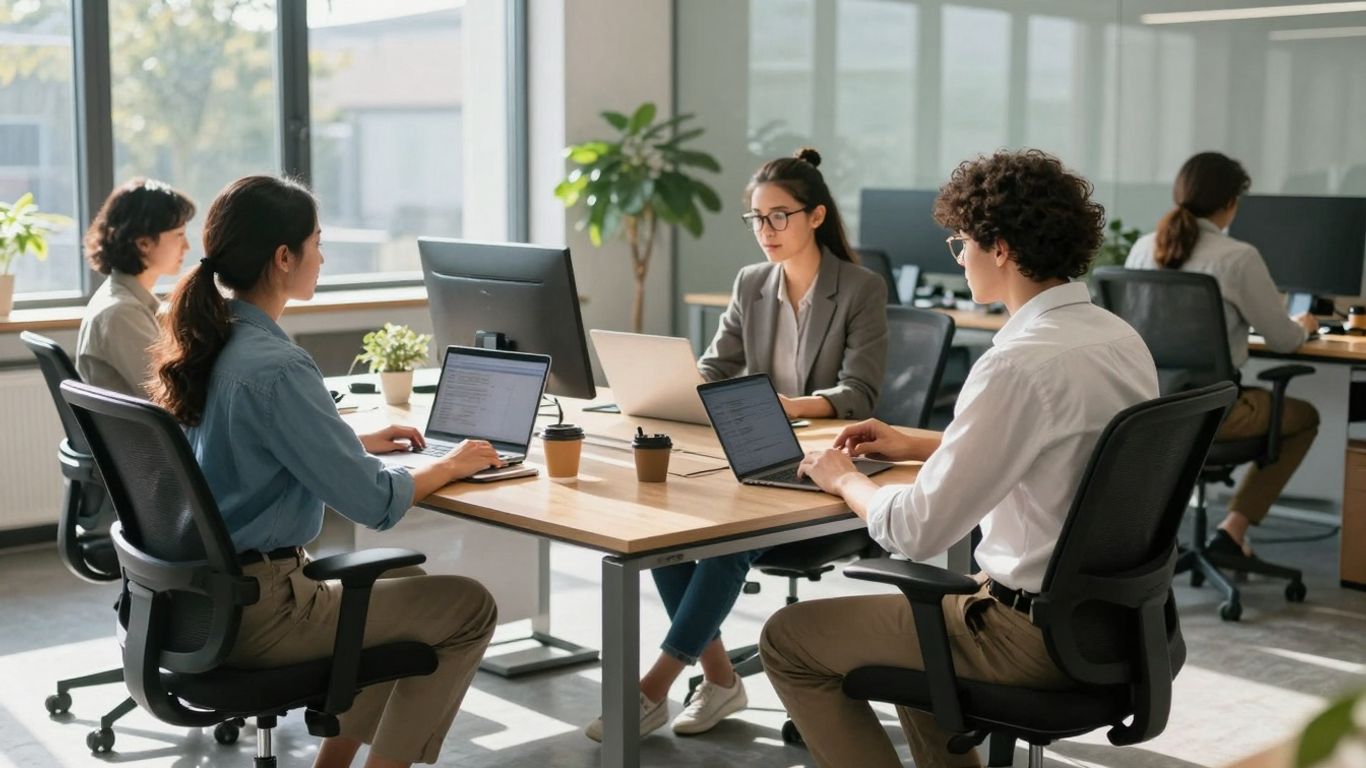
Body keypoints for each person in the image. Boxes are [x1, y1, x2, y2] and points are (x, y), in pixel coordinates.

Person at [760, 149, 1159, 768]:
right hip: (1117, 625)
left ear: (999, 248)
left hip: (1028, 636)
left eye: (961, 242)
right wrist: (916, 442)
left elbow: (917, 530)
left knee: (787, 641)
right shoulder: (1117, 338)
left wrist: (843, 479)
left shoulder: (1016, 363)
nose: (960, 255)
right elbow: (1066, 451)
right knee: (920, 631)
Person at [150, 175, 501, 768]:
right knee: (469, 608)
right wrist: (451, 464)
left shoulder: (211, 342)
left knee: (407, 598)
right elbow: (374, 503)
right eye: (317, 241)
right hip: (265, 614)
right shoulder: (278, 365)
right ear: (283, 258)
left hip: (196, 607)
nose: (323, 256)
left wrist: (348, 441)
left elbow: (240, 452)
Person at [584, 148, 888, 743]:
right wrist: (681, 388)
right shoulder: (751, 283)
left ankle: (653, 687)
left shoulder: (858, 288)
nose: (766, 231)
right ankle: (720, 678)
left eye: (779, 217)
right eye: (756, 218)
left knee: (726, 540)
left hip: (825, 472)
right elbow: (716, 367)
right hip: (754, 454)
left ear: (816, 216)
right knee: (666, 523)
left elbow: (860, 392)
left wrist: (789, 406)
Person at [1126, 151, 1320, 558]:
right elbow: (1284, 340)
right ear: (1230, 203)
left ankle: (1157, 534)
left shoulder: (1143, 249)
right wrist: (1304, 325)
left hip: (1150, 410)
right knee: (1304, 417)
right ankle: (1233, 530)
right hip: (1217, 412)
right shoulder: (1238, 257)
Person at [77, 177, 195, 396]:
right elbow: (170, 395)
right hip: (147, 430)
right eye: (179, 235)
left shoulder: (128, 301)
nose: (187, 246)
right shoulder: (121, 313)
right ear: (143, 243)